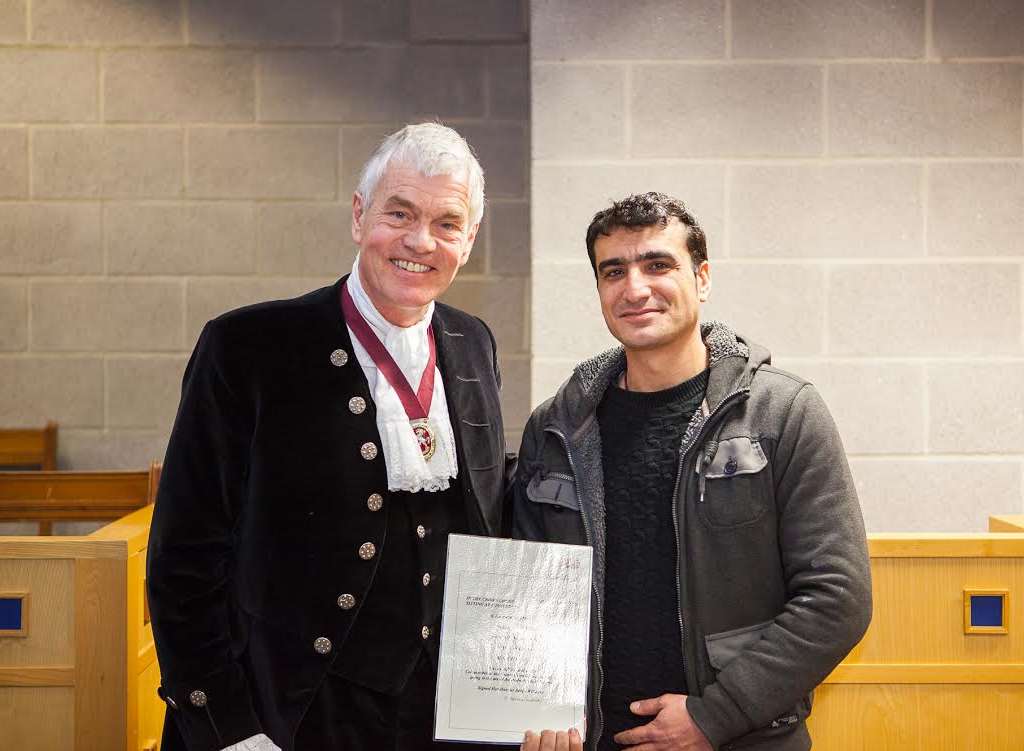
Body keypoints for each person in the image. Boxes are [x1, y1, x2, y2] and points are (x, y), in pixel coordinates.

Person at [148, 123, 509, 751]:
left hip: (437, 717)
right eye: (400, 213)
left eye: (447, 224)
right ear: (358, 215)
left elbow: (487, 524)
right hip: (289, 710)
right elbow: (184, 556)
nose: (420, 241)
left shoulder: (472, 342)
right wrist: (228, 726)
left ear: (469, 239)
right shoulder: (249, 348)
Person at [513, 192, 871, 751]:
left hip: (741, 740)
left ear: (702, 278)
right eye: (614, 272)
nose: (635, 288)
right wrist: (526, 714)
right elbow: (526, 590)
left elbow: (837, 598)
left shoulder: (784, 413)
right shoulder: (556, 429)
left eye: (658, 265)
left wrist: (716, 716)